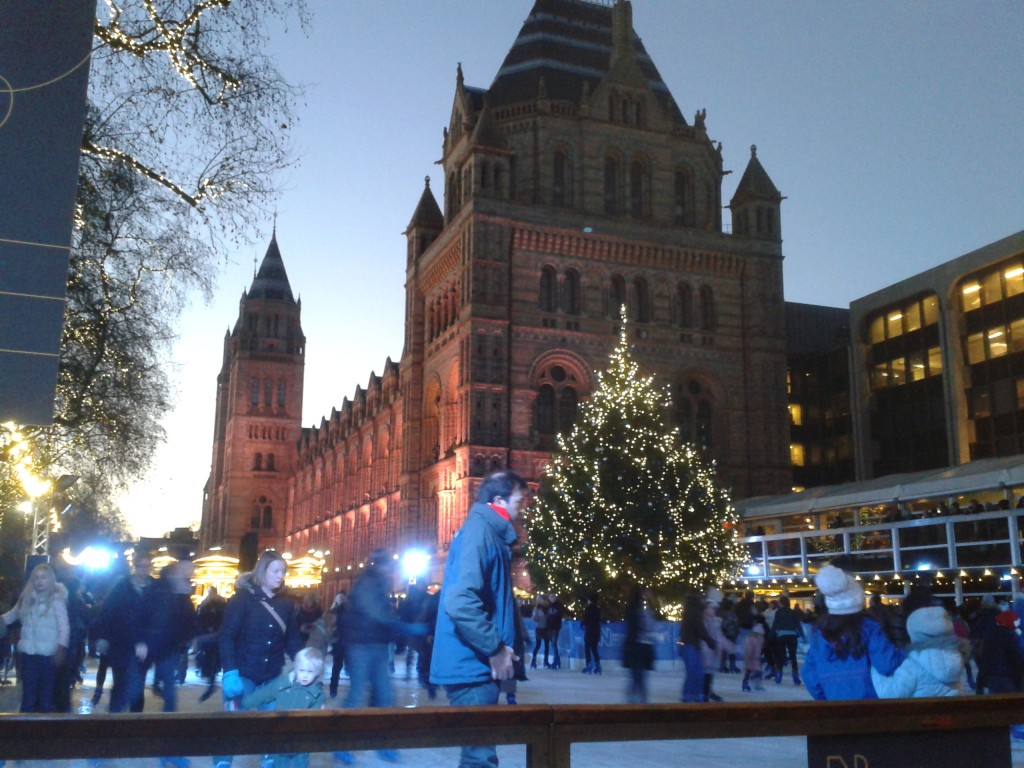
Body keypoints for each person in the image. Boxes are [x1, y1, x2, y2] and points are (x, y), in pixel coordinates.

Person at [430, 469, 528, 768]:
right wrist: (495, 649)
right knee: (479, 759)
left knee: (478, 756)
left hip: (477, 666)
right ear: (498, 501)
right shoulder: (480, 533)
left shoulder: (488, 533)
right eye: (519, 501)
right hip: (472, 666)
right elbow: (460, 602)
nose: (523, 509)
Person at [335, 548, 424, 765]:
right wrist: (406, 627)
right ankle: (341, 746)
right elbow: (377, 614)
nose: (390, 569)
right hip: (360, 646)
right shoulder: (367, 583)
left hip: (376, 645)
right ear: (379, 565)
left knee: (385, 696)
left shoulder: (379, 584)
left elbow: (382, 615)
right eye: (387, 565)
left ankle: (384, 743)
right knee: (356, 696)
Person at [217, 550, 303, 768]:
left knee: (272, 727)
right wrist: (230, 671)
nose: (280, 576)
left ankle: (270, 761)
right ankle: (222, 762)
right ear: (262, 570)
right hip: (243, 673)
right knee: (232, 727)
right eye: (275, 571)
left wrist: (303, 661)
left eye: (283, 571)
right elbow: (227, 636)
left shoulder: (286, 604)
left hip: (272, 676)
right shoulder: (242, 600)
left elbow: (291, 638)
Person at [801, 564, 904, 700]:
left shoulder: (820, 632)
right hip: (868, 705)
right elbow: (886, 664)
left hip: (835, 706)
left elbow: (809, 674)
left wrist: (825, 698)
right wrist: (906, 651)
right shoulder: (869, 627)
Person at [138, 560, 197, 768]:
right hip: (144, 651)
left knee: (171, 702)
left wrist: (197, 637)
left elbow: (188, 623)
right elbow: (141, 617)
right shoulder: (157, 591)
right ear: (174, 574)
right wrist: (140, 641)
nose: (190, 576)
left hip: (167, 652)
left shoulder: (182, 596)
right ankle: (102, 749)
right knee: (128, 695)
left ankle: (168, 751)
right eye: (186, 572)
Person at [242, 647, 326, 768]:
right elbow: (264, 694)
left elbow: (315, 718)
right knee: (280, 762)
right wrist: (245, 703)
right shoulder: (283, 684)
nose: (305, 676)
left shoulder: (317, 694)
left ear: (317, 673)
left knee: (300, 763)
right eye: (302, 670)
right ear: (296, 668)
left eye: (310, 672)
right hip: (280, 735)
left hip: (301, 739)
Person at [1, 563, 69, 712]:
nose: (39, 581)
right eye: (36, 578)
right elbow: (12, 615)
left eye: (43, 577)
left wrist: (61, 648)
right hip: (28, 654)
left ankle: (42, 731)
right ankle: (24, 731)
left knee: (45, 696)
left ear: (50, 579)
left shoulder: (57, 600)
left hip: (47, 655)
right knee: (28, 696)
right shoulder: (27, 599)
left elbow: (64, 627)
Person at [94, 548, 154, 713]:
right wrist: (103, 637)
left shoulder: (154, 589)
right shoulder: (123, 587)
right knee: (121, 685)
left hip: (142, 648)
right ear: (135, 567)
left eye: (148, 567)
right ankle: (115, 722)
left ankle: (134, 723)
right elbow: (108, 612)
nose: (145, 570)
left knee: (137, 687)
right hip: (121, 644)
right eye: (142, 566)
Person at [871, 605, 967, 698]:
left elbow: (889, 694)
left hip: (922, 713)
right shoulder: (956, 656)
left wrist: (874, 667)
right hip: (954, 712)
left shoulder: (913, 662)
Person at [623, 585, 657, 703]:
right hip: (639, 648)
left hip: (637, 648)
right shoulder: (638, 611)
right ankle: (639, 703)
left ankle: (635, 701)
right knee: (639, 678)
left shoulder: (635, 609)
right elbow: (646, 626)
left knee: (637, 678)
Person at [678, 591, 714, 703]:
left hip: (690, 644)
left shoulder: (691, 610)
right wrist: (710, 641)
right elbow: (700, 628)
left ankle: (692, 694)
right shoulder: (694, 611)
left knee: (696, 671)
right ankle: (691, 695)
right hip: (690, 645)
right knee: (695, 672)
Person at [195, 586, 227, 702]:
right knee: (213, 656)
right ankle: (211, 675)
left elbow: (200, 618)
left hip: (210, 634)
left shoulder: (206, 603)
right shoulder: (221, 603)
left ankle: (208, 674)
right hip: (215, 634)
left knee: (207, 655)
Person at [770, 595, 805, 685]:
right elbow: (797, 624)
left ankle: (779, 675)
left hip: (781, 635)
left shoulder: (778, 612)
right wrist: (802, 635)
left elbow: (775, 624)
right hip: (792, 635)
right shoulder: (792, 612)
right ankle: (795, 675)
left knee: (781, 656)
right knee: (793, 656)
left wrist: (770, 635)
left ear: (781, 603)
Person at [326, 591, 347, 699]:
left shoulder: (332, 611)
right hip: (347, 642)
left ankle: (333, 689)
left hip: (337, 642)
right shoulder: (349, 612)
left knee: (337, 666)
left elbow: (328, 628)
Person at [580, 594, 602, 675]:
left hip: (589, 631)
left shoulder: (588, 609)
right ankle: (598, 665)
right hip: (596, 631)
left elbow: (586, 619)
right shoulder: (598, 609)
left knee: (587, 649)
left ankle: (589, 665)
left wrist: (582, 624)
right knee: (594, 649)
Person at [741, 623, 766, 692]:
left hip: (755, 658)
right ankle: (747, 683)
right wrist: (748, 657)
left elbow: (760, 649)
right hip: (751, 658)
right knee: (752, 672)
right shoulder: (752, 639)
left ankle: (755, 684)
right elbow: (749, 649)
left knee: (755, 672)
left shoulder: (759, 639)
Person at [529, 595, 549, 669]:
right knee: (538, 644)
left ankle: (545, 661)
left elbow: (549, 617)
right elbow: (535, 618)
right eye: (539, 600)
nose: (540, 601)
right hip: (539, 628)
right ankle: (533, 661)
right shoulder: (537, 608)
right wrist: (534, 618)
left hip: (546, 628)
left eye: (541, 600)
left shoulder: (546, 608)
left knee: (547, 645)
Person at [546, 593, 565, 670]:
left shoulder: (559, 605)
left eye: (553, 597)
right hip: (549, 627)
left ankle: (556, 661)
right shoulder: (548, 606)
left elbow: (563, 612)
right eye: (551, 597)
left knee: (554, 643)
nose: (552, 598)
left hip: (556, 627)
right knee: (552, 644)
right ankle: (557, 660)